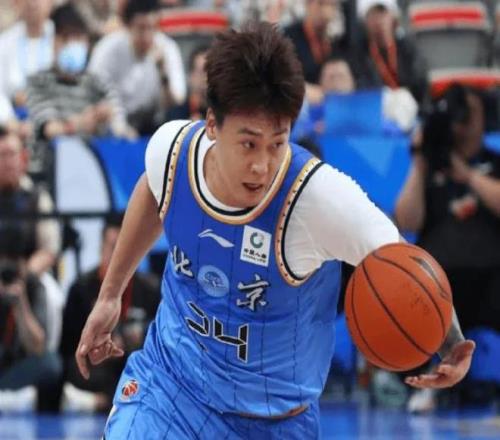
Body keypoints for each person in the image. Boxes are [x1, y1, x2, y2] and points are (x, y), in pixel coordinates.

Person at [76, 22, 474, 438]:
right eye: (249, 144)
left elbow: (407, 269)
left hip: (274, 420)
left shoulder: (318, 199)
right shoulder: (174, 151)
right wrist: (110, 295)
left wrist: (449, 343)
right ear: (212, 125)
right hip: (171, 388)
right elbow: (152, 189)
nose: (262, 165)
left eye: (277, 143)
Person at [395, 84, 500, 411]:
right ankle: (420, 382)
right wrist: (420, 163)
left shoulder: (493, 162)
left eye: (469, 111)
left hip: (490, 278)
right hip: (437, 281)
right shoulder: (431, 165)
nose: (462, 120)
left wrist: (467, 175)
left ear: (483, 118)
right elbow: (406, 220)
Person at [60, 213, 160, 412]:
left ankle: (100, 401)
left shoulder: (149, 288)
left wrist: (137, 335)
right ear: (101, 247)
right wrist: (91, 345)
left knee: (138, 364)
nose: (117, 256)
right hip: (95, 366)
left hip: (131, 361)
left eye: (123, 248)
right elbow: (67, 345)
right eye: (113, 247)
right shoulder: (81, 288)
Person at [26, 3, 133, 183]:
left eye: (78, 38)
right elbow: (51, 129)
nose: (72, 44)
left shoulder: (98, 81)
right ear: (53, 41)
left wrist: (109, 119)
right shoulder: (38, 82)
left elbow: (120, 125)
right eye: (66, 38)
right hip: (50, 176)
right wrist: (81, 123)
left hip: (93, 175)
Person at [88, 0, 186, 135]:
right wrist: (121, 128)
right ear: (128, 26)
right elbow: (95, 89)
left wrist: (163, 72)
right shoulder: (108, 48)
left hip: (152, 125)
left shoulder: (166, 48)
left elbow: (178, 100)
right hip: (112, 126)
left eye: (152, 28)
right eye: (141, 28)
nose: (147, 36)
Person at [0, 225, 62, 412]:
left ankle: (7, 397)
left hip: (17, 366)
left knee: (50, 364)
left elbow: (38, 346)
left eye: (14, 263)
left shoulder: (34, 286)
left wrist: (21, 304)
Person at [354, 0, 428, 103]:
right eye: (372, 15)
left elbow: (421, 86)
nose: (378, 21)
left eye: (382, 13)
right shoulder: (358, 55)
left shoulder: (408, 48)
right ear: (364, 21)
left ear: (393, 16)